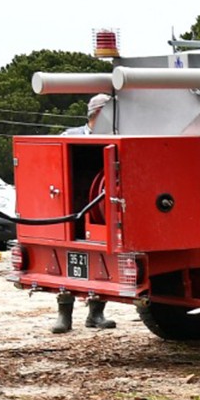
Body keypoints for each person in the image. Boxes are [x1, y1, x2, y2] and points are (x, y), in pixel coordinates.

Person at [51, 94, 116, 334]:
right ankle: (64, 316)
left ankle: (95, 314)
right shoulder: (70, 137)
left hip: (100, 209)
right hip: (72, 208)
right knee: (69, 263)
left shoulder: (116, 138)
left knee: (101, 261)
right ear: (98, 114)